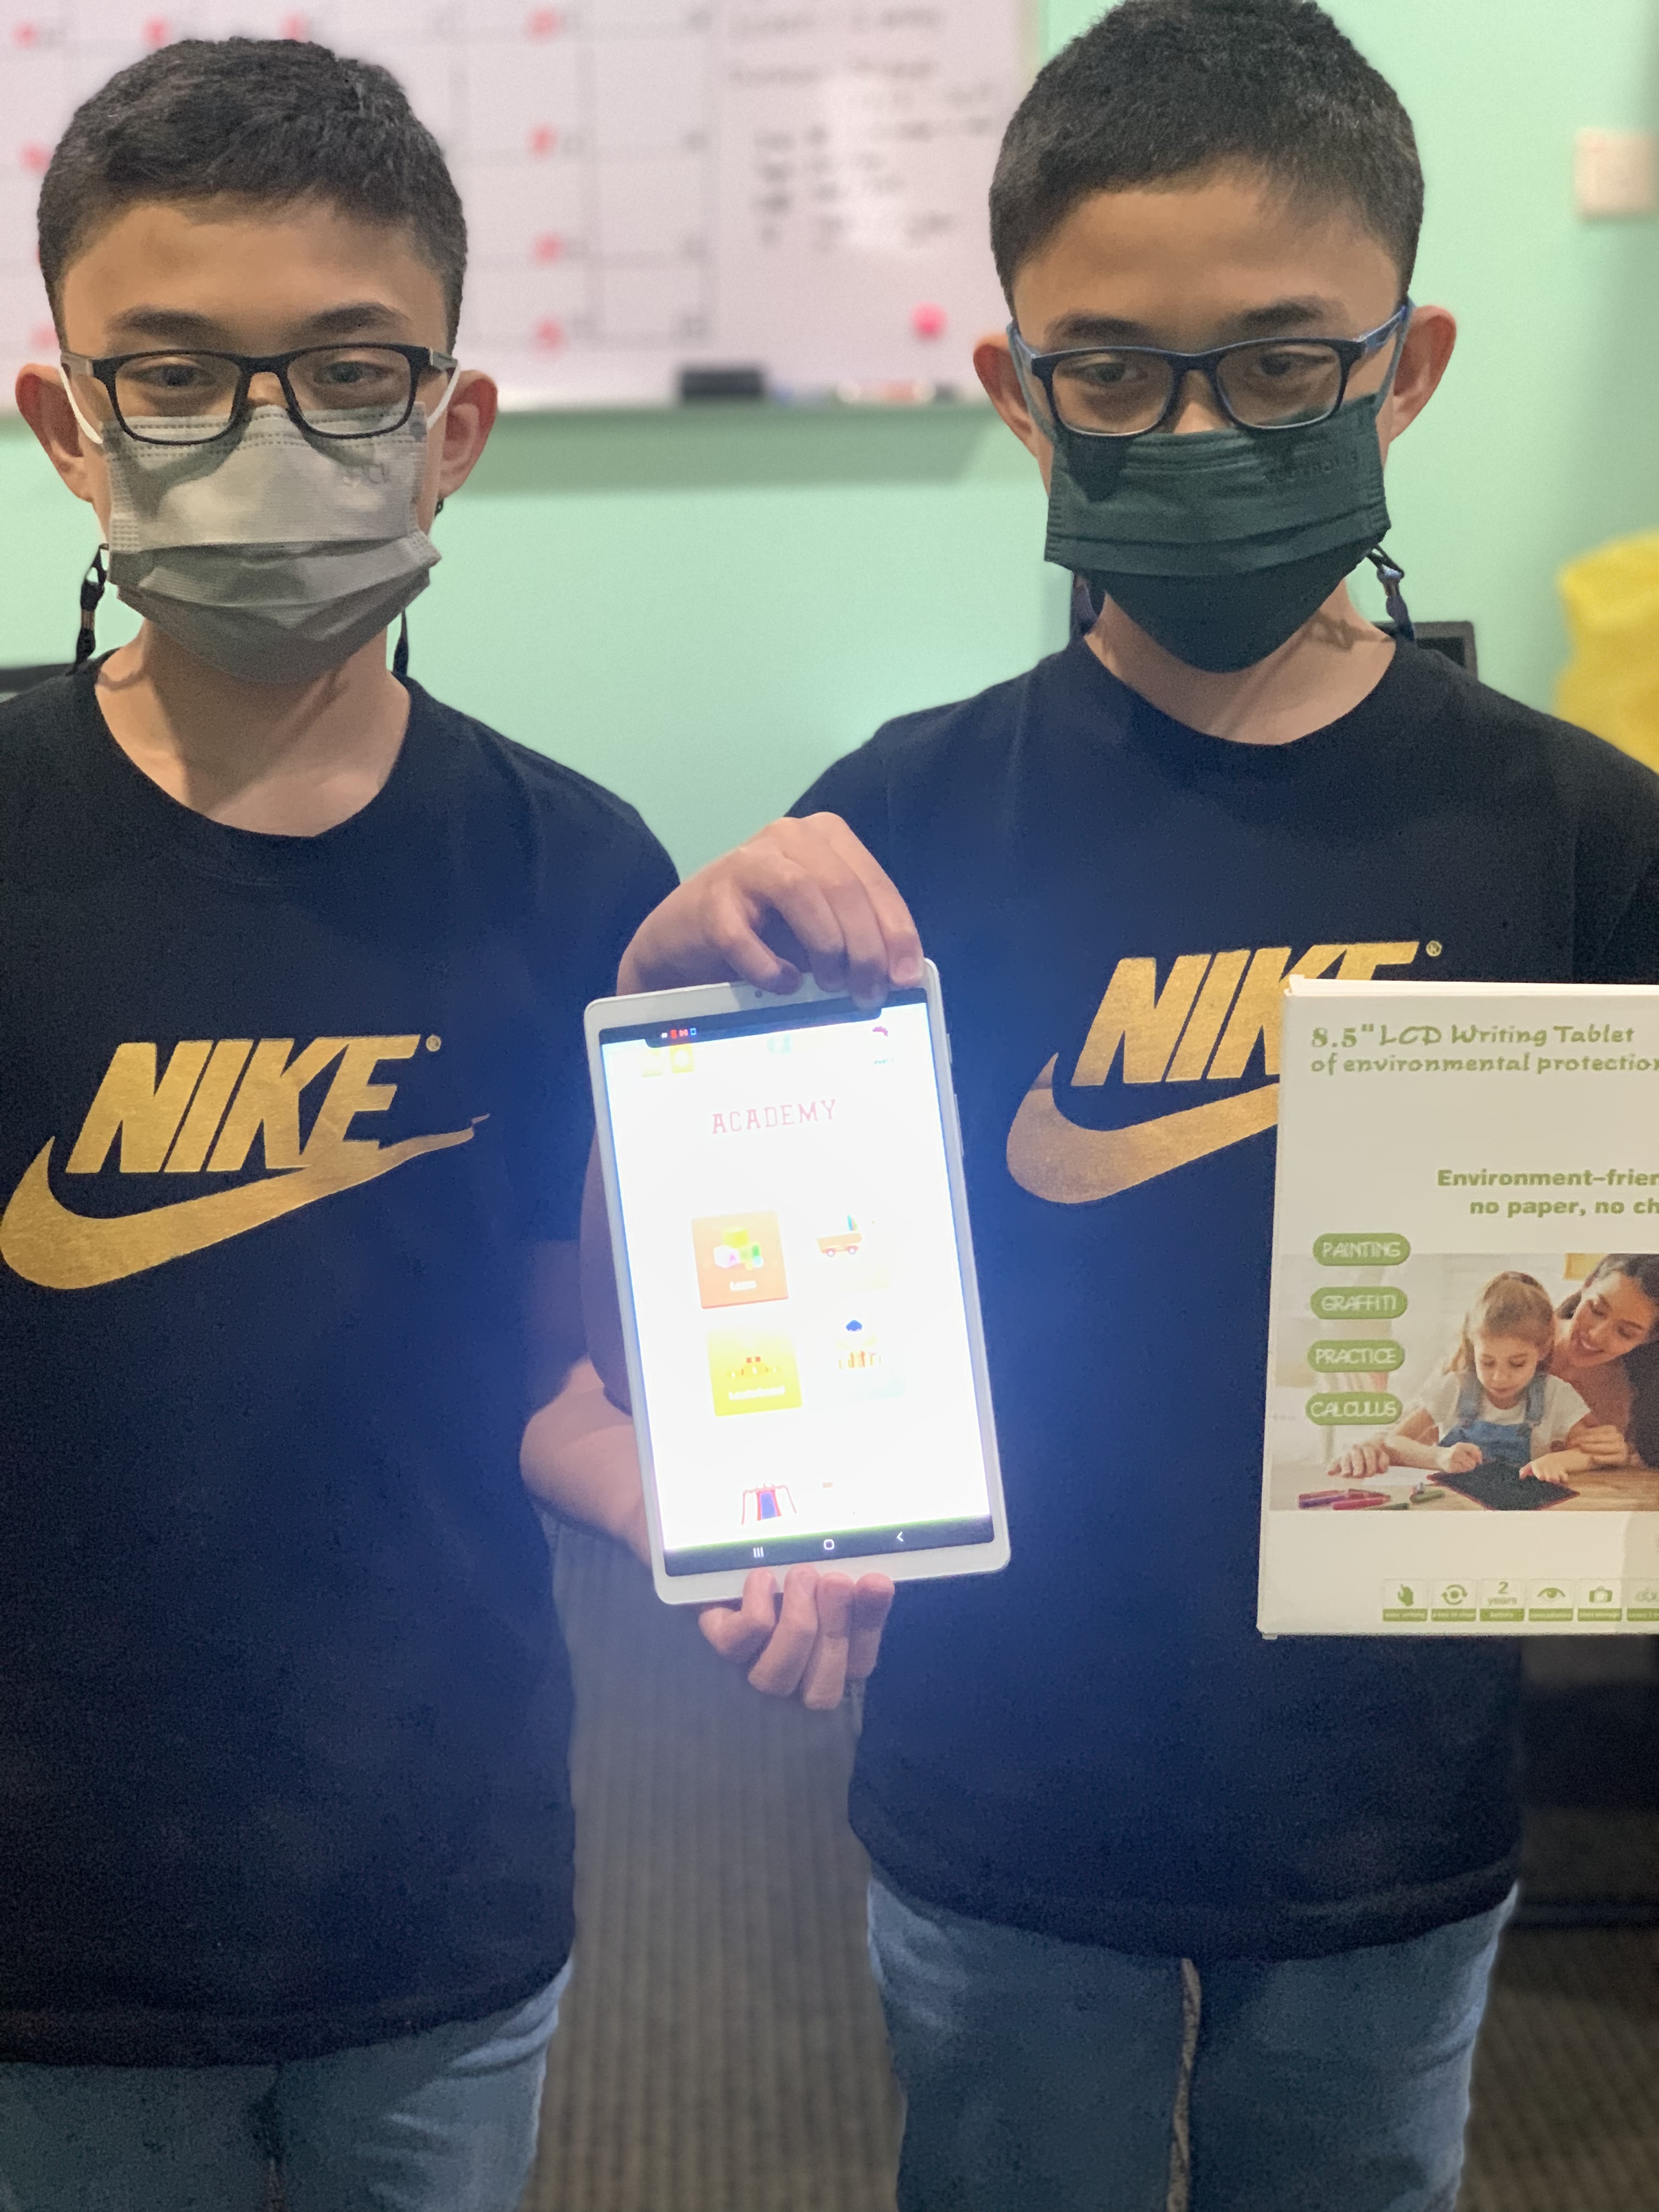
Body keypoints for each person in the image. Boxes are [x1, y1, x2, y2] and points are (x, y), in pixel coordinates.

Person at [578, 3, 1659, 2206]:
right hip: (1005, 1785)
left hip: (1392, 1801)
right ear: (1016, 389)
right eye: (1114, 372)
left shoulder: (1578, 835)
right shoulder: (894, 830)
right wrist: (657, 1009)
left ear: (1407, 366)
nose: (1196, 426)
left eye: (1278, 363)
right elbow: (685, 1301)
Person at [0, 37, 874, 2211]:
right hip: (43, 1926)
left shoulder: (577, 873)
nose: (266, 436)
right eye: (174, 377)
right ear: (66, 423)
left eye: (347, 372)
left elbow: (547, 1378)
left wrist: (709, 1506)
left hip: (430, 1879)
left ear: (451, 424)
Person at [1331, 1269, 1607, 1493]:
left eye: (1517, 1363)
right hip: (1451, 1504)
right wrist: (1440, 1458)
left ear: (1543, 1350)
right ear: (1473, 1349)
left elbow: (1590, 1452)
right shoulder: (1456, 1387)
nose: (1499, 1377)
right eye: (1487, 1362)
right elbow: (1395, 1441)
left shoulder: (1555, 1394)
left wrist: (1558, 1460)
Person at [1548, 1251, 1659, 1463]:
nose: (1596, 1335)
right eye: (1597, 1310)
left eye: (1625, 1332)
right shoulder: (1511, 1335)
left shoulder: (1632, 1399)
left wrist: (1619, 1457)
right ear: (1588, 1284)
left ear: (1649, 1337)